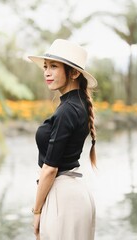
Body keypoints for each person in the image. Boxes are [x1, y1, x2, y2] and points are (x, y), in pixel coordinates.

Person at [28, 39, 97, 240]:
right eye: (45, 67)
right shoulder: (78, 103)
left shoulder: (67, 110)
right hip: (74, 195)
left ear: (74, 73)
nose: (47, 72)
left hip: (63, 199)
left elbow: (50, 169)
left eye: (54, 66)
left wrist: (37, 211)